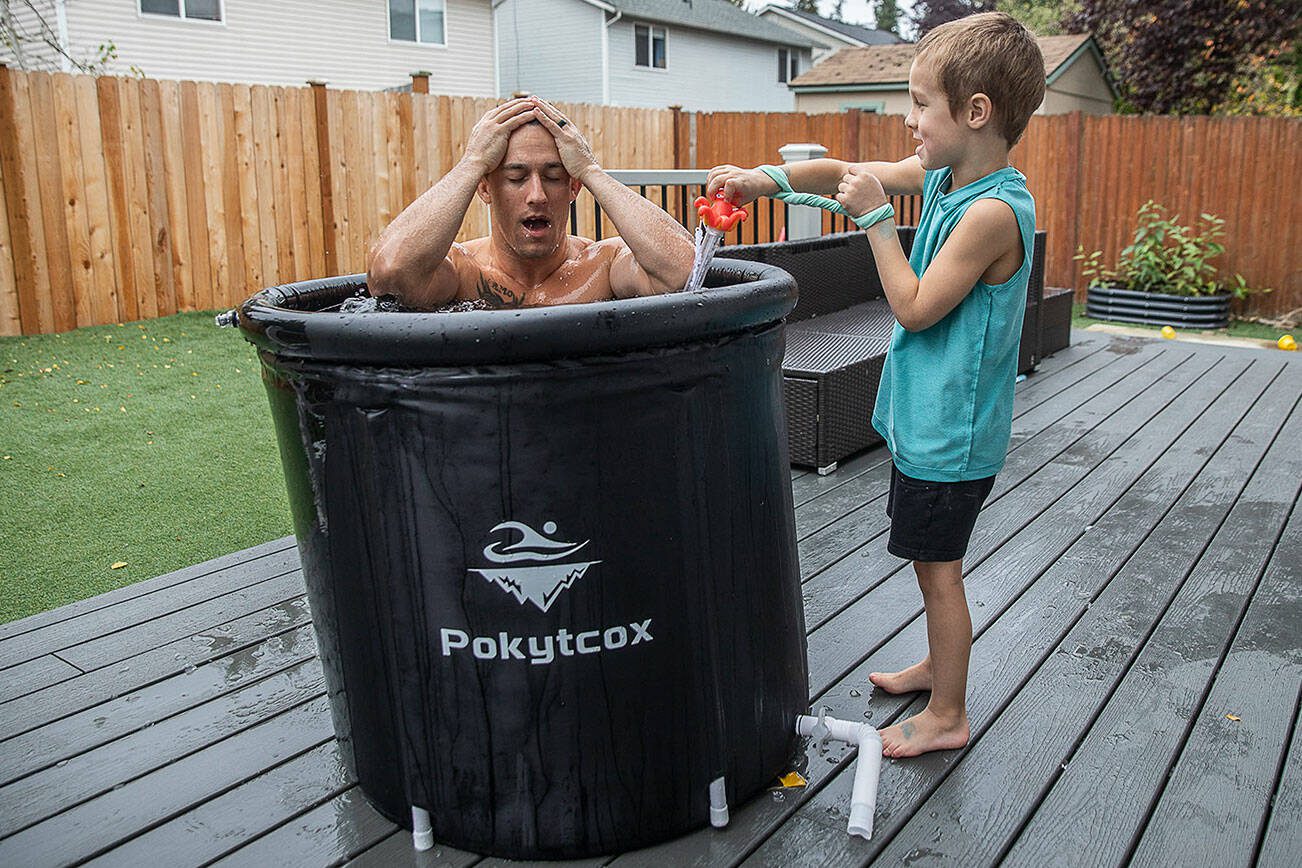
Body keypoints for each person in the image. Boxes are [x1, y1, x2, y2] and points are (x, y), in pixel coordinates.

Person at [706, 12, 1045, 758]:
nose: (909, 119)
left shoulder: (992, 212)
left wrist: (879, 225)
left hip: (953, 438)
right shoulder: (950, 179)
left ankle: (947, 713)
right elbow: (843, 175)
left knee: (941, 571)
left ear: (976, 112)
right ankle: (937, 667)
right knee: (932, 567)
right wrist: (762, 178)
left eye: (922, 103)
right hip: (930, 424)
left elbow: (916, 306)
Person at [367, 96, 695, 308]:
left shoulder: (601, 268)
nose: (537, 195)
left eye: (553, 177)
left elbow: (684, 272)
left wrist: (591, 169)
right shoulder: (464, 273)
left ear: (574, 187)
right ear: (484, 189)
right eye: (516, 178)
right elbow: (390, 276)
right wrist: (472, 163)